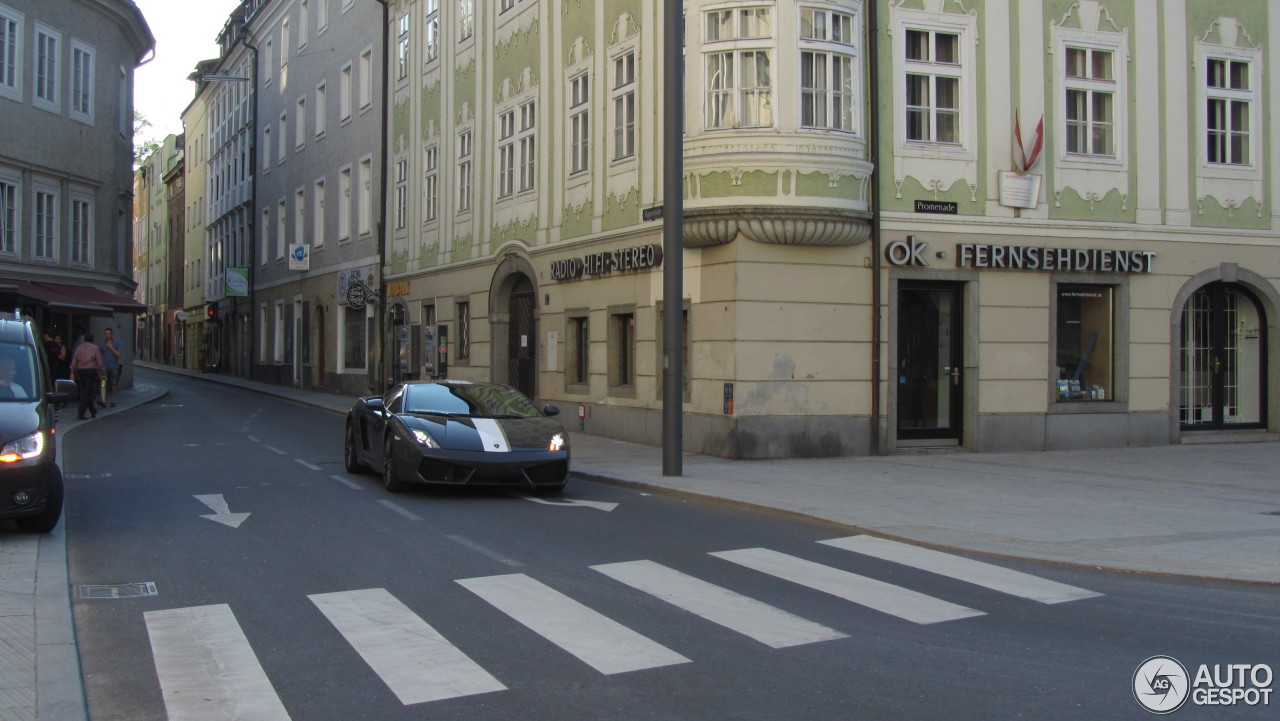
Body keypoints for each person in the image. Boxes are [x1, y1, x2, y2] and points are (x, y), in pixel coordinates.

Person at [69, 332, 104, 420]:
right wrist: (101, 371)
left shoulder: (79, 348)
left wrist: (72, 372)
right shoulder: (95, 348)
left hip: (81, 371)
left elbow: (74, 360)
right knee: (88, 392)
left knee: (86, 391)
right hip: (91, 371)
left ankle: (92, 410)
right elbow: (99, 362)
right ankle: (81, 412)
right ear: (93, 339)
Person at [98, 327, 122, 407]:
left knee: (113, 384)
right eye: (105, 333)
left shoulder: (116, 343)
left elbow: (119, 355)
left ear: (111, 334)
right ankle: (103, 400)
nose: (107, 335)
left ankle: (113, 400)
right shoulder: (101, 344)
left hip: (114, 367)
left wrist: (111, 347)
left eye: (108, 333)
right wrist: (100, 366)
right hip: (104, 368)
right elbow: (99, 356)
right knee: (103, 383)